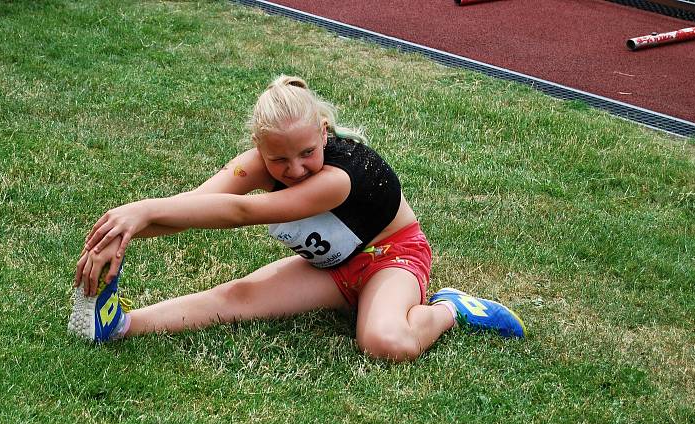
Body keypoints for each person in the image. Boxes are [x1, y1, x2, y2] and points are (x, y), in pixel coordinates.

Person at [68, 75, 525, 362]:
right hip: (335, 268)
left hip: (391, 257)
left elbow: (243, 211)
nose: (295, 169)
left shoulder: (338, 176)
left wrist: (143, 208)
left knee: (386, 343)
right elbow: (195, 207)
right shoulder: (259, 163)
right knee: (237, 297)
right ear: (259, 146)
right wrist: (125, 233)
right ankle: (121, 324)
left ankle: (451, 309)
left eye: (307, 152)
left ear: (323, 132)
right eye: (278, 159)